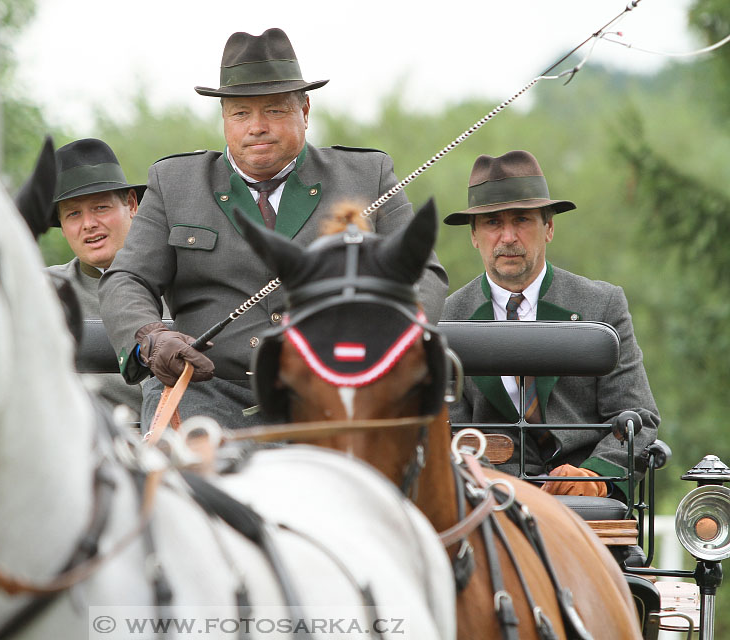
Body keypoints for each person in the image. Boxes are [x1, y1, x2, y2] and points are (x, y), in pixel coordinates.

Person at [98, 27, 448, 429]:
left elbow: (425, 274)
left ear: (305, 110)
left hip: (332, 389)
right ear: (225, 118)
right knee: (179, 484)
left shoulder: (367, 175)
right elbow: (125, 278)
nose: (257, 126)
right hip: (203, 393)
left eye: (274, 110)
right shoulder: (173, 182)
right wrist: (151, 338)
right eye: (241, 113)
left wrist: (382, 344)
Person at [440, 149, 660, 500]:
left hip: (586, 499)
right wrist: (493, 485)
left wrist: (594, 476)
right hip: (488, 500)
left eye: (522, 220)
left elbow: (639, 418)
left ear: (549, 228)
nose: (508, 237)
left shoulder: (602, 304)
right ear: (474, 236)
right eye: (493, 223)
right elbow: (448, 431)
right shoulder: (445, 319)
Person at [45, 138, 147, 417]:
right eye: (74, 214)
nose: (89, 224)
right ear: (63, 228)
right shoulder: (43, 293)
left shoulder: (183, 277)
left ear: (132, 205)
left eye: (101, 208)